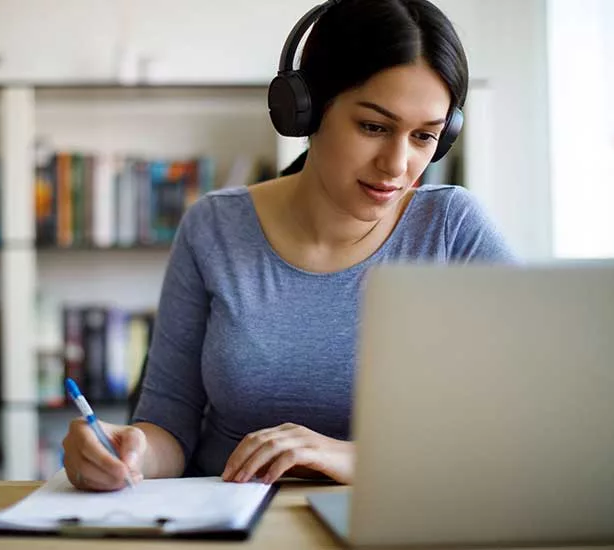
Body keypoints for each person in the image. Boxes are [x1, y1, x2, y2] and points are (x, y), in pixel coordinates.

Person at [62, 0, 516, 491]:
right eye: (374, 127)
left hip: (397, 521)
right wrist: (126, 451)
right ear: (307, 109)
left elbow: (529, 418)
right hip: (233, 524)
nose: (397, 164)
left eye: (424, 136)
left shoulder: (451, 228)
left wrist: (354, 458)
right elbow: (167, 426)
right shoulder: (213, 228)